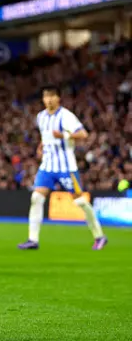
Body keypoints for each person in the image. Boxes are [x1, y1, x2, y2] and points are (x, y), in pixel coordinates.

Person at [18, 86, 107, 250]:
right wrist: (41, 146)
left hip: (66, 167)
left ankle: (100, 236)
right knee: (36, 198)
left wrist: (65, 135)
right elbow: (46, 135)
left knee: (80, 201)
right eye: (46, 97)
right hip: (47, 166)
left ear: (58, 98)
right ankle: (33, 239)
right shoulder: (41, 117)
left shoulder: (66, 116)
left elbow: (83, 134)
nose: (49, 100)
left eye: (52, 96)